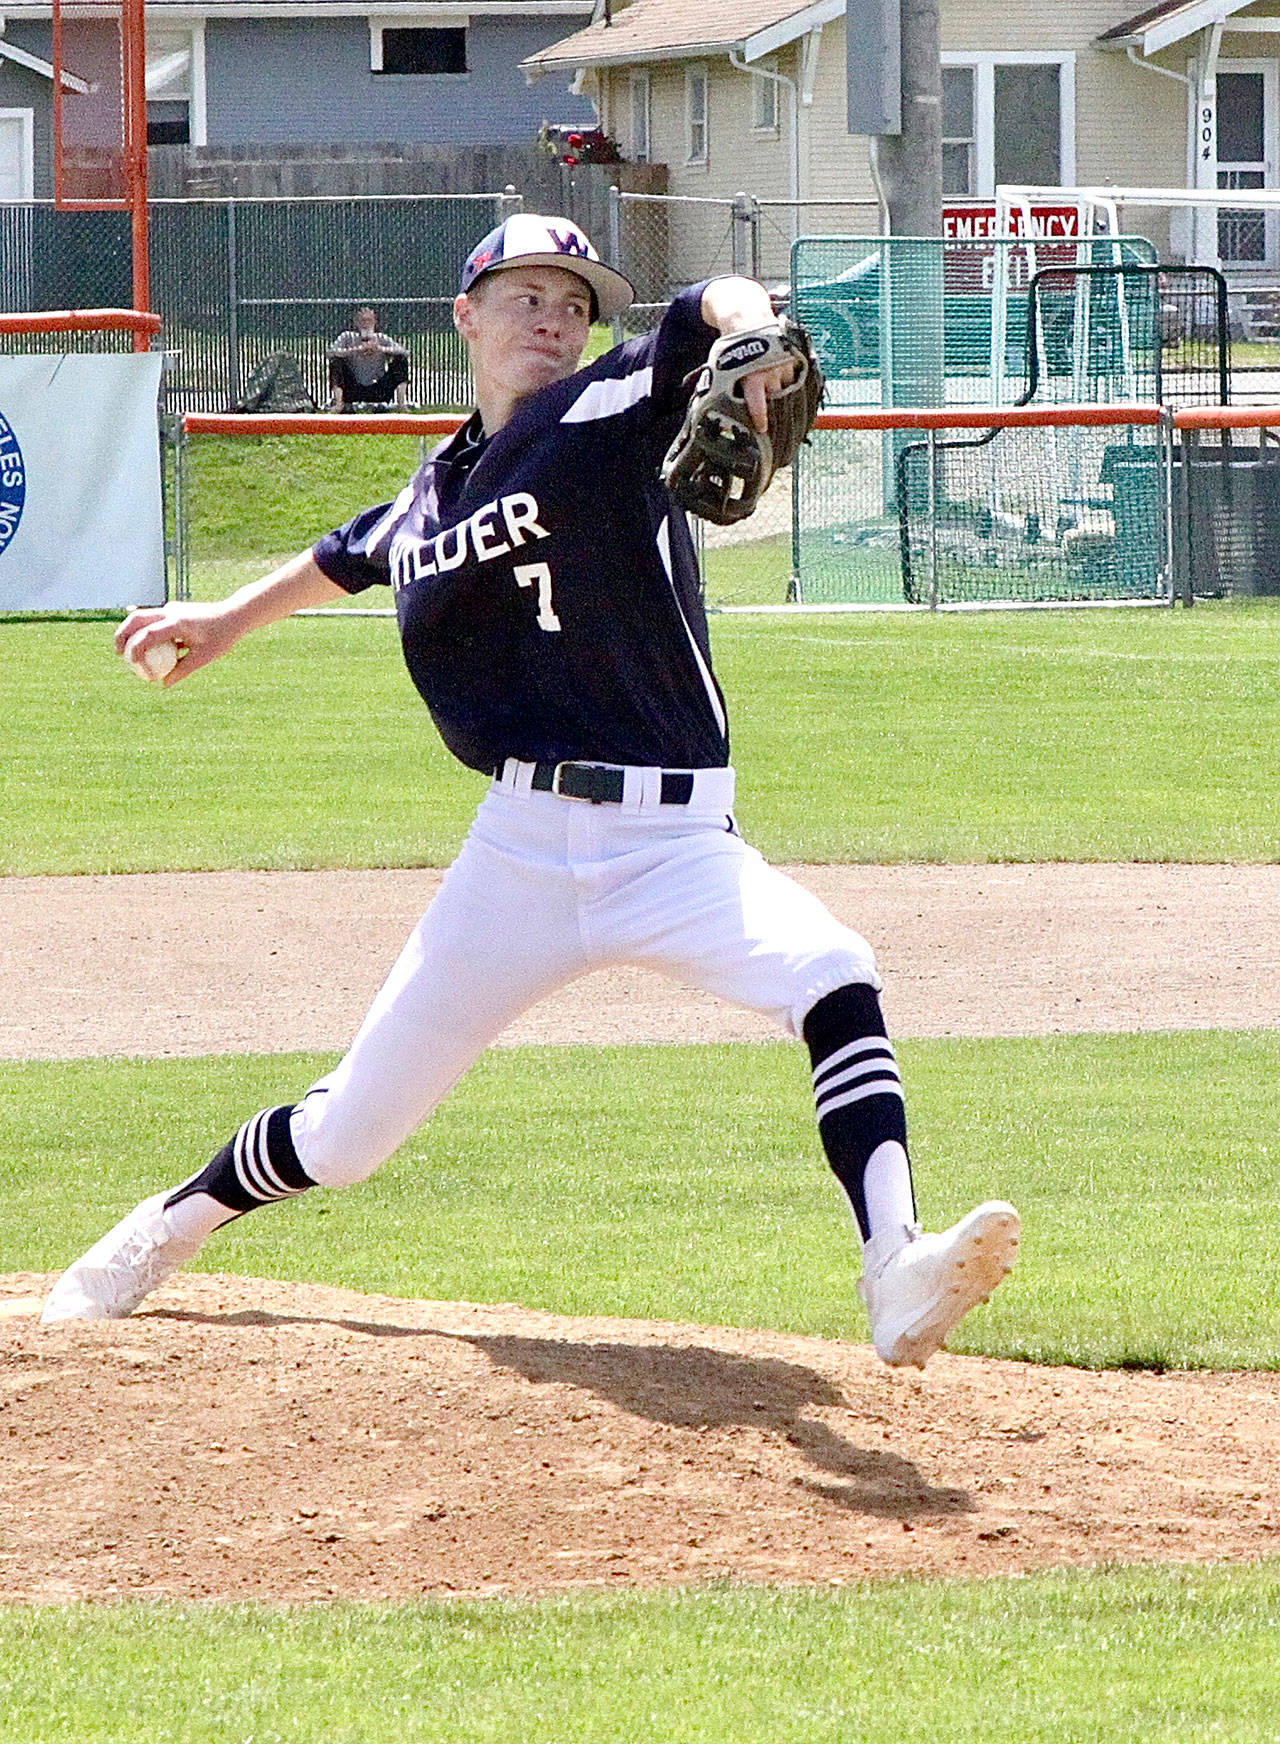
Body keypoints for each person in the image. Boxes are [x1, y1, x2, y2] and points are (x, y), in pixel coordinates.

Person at [41, 213, 1020, 1368]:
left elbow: (708, 301)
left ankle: (892, 1268)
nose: (552, 321)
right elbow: (347, 553)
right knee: (350, 1134)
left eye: (571, 304)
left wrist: (754, 330)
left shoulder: (606, 412)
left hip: (674, 839)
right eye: (525, 298)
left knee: (833, 971)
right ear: (464, 317)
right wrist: (223, 620)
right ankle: (168, 1225)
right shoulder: (433, 488)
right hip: (517, 848)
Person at [327, 306, 409, 410]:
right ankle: (339, 404)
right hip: (354, 388)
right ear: (356, 323)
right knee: (335, 361)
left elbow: (404, 352)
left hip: (378, 389)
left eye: (369, 320)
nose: (365, 324)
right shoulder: (347, 337)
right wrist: (354, 350)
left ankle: (401, 404)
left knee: (401, 360)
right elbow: (331, 353)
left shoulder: (381, 338)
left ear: (375, 322)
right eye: (362, 320)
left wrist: (380, 349)